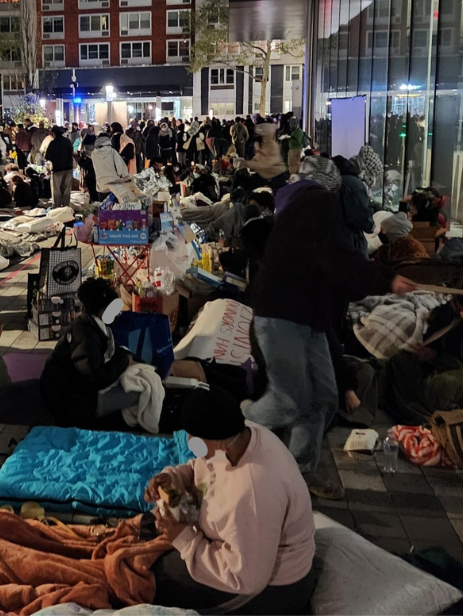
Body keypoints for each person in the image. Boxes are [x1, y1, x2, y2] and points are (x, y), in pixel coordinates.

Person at [244, 156, 416, 496]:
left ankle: (298, 473)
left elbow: (331, 264)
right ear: (338, 187)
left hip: (310, 317)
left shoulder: (303, 203)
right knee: (289, 398)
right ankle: (228, 428)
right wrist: (386, 278)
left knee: (323, 397)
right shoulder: (315, 204)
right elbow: (336, 258)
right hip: (282, 317)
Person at [145, 385, 317, 615]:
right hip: (232, 547)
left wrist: (183, 539)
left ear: (219, 441)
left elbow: (248, 578)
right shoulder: (240, 435)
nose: (191, 445)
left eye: (195, 440)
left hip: (269, 587)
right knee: (145, 531)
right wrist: (173, 478)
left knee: (149, 576)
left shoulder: (253, 491)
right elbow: (202, 467)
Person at [40, 278, 135, 428]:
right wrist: (123, 362)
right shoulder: (85, 335)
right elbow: (94, 378)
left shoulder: (91, 325)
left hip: (71, 391)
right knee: (137, 393)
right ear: (102, 310)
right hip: (69, 401)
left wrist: (124, 357)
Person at [333, 156, 374, 257]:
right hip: (351, 239)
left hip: (343, 237)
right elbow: (362, 212)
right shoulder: (354, 183)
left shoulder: (339, 183)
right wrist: (370, 225)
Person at [44, 125, 74, 208]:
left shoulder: (53, 143)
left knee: (56, 190)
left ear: (53, 133)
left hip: (57, 169)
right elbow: (71, 153)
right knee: (66, 189)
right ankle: (66, 207)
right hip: (68, 168)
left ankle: (56, 207)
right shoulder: (67, 141)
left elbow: (47, 157)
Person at [92, 133, 128, 199]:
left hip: (101, 186)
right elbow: (121, 169)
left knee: (104, 206)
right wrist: (125, 176)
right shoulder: (112, 151)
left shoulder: (93, 153)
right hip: (114, 185)